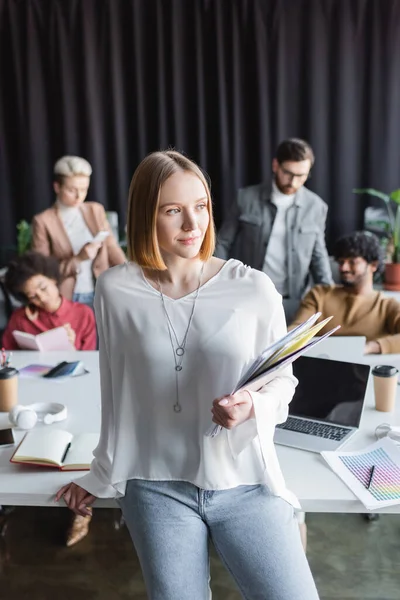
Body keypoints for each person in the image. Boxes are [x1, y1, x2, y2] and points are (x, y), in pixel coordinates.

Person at [56, 150, 319, 599]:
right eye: (172, 211)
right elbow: (115, 396)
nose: (191, 224)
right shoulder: (115, 290)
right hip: (154, 486)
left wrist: (253, 405)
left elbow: (284, 381)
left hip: (245, 481)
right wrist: (100, 474)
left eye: (200, 207)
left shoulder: (253, 288)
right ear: (146, 215)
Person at [2, 251, 96, 546]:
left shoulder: (82, 314)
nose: (39, 298)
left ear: (55, 281)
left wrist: (69, 349)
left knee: (78, 437)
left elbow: (91, 363)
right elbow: (6, 357)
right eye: (32, 294)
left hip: (77, 391)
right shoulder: (21, 318)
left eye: (42, 288)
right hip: (35, 393)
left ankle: (82, 505)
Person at [215, 138, 333, 322]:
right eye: (288, 173)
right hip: (247, 295)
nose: (293, 182)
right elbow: (222, 242)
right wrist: (219, 282)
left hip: (292, 302)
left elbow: (318, 254)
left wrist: (329, 295)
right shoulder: (245, 198)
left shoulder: (316, 207)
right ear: (275, 165)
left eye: (301, 176)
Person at [31, 155, 126, 308]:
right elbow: (42, 271)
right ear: (57, 187)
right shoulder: (43, 221)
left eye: (84, 189)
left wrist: (129, 272)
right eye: (71, 190)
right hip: (69, 296)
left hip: (102, 290)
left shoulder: (95, 210)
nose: (79, 196)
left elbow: (111, 246)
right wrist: (78, 259)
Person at [290, 231, 400, 354]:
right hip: (321, 363)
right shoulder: (319, 294)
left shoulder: (386, 306)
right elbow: (297, 329)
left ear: (373, 265)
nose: (344, 268)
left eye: (352, 262)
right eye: (341, 262)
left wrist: (369, 348)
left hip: (364, 368)